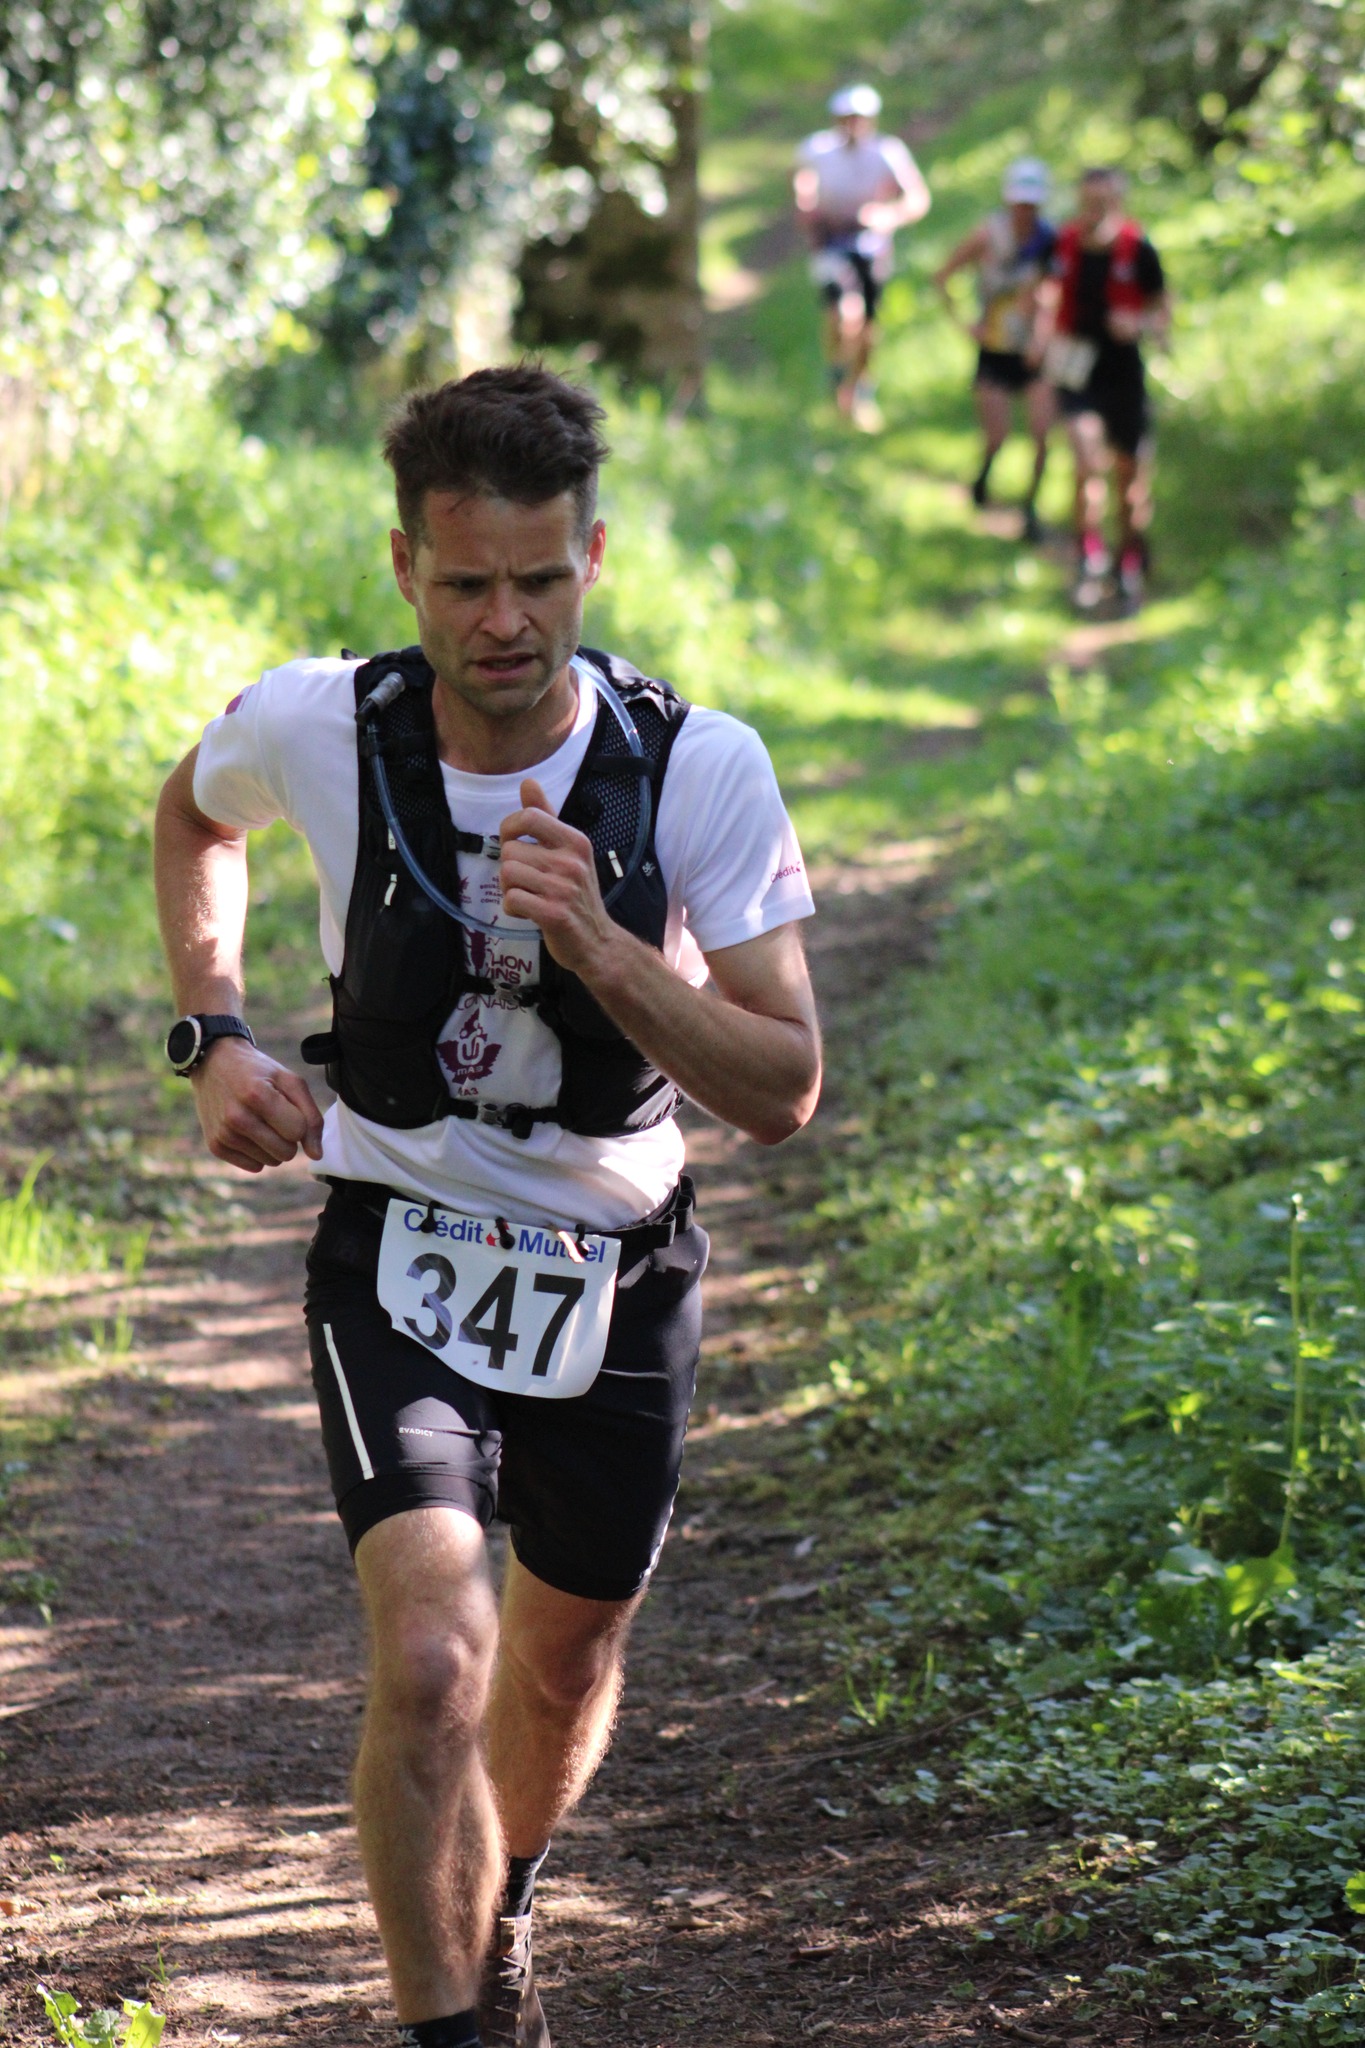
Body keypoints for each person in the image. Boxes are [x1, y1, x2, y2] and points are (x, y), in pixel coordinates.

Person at [153, 366, 822, 2048]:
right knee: (440, 1654)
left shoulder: (699, 771)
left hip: (621, 1251)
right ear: (406, 565)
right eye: (467, 583)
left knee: (561, 1658)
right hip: (395, 1239)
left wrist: (604, 944)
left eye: (541, 580)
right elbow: (189, 811)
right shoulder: (324, 722)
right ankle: (447, 2027)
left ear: (591, 558)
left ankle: (504, 1900)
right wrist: (211, 1034)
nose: (506, 620)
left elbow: (782, 1085)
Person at [1033, 165, 1171, 611]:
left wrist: (1141, 324)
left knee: (1129, 481)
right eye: (1088, 200)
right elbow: (1042, 292)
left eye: (1104, 200)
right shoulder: (1063, 244)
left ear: (1119, 201)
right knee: (1085, 458)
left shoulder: (1139, 249)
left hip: (1124, 372)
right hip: (1077, 371)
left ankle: (1129, 558)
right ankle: (1088, 556)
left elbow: (1163, 314)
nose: (1095, 209)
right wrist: (1039, 336)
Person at [932, 157, 1057, 544]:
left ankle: (1030, 509)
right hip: (994, 352)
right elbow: (943, 277)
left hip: (1034, 354)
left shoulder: (1050, 241)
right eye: (1020, 202)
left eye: (1032, 204)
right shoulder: (987, 235)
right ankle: (983, 478)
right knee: (998, 434)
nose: (1025, 211)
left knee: (1042, 435)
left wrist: (1044, 335)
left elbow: (1056, 293)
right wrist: (965, 324)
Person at [794, 83, 930, 428]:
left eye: (860, 118)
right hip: (831, 240)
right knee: (842, 313)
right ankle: (838, 374)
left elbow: (917, 198)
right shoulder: (818, 149)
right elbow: (802, 182)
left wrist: (890, 216)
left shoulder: (887, 152)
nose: (853, 125)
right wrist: (807, 207)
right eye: (847, 118)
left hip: (871, 243)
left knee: (868, 324)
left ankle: (859, 389)